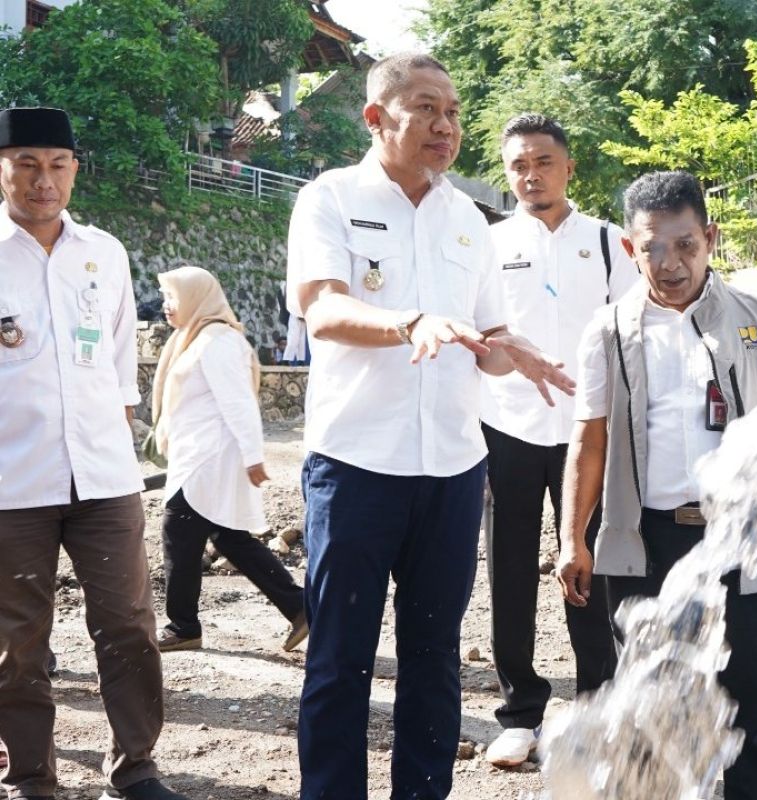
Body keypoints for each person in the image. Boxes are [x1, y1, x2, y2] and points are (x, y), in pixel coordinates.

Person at [286, 53, 575, 800]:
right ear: (377, 117)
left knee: (434, 659)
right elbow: (322, 310)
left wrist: (516, 353)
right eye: (426, 109)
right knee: (340, 659)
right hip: (355, 464)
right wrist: (406, 320)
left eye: (451, 110)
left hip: (451, 468)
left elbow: (488, 341)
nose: (445, 125)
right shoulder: (331, 199)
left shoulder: (468, 221)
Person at [554, 171, 757, 800]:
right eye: (653, 248)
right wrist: (572, 539)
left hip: (745, 539)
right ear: (631, 250)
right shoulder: (607, 332)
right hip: (647, 542)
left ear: (710, 238)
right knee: (647, 703)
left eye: (685, 244)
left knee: (754, 703)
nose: (670, 263)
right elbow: (591, 439)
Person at [0, 107, 190, 800]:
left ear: (75, 169)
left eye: (56, 164)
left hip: (104, 479)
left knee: (131, 626)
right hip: (10, 485)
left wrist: (127, 439)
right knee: (18, 643)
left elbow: (117, 365)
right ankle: (30, 777)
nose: (42, 180)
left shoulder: (101, 252)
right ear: (2, 169)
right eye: (26, 163)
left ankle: (135, 765)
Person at [479, 112, 640, 767]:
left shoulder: (607, 242)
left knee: (591, 571)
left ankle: (597, 707)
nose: (530, 175)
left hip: (589, 433)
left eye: (543, 162)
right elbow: (477, 332)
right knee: (509, 572)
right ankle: (519, 712)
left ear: (568, 166)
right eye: (518, 165)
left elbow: (634, 332)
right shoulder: (486, 244)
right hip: (507, 426)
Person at [150, 266, 308, 654]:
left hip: (209, 460)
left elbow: (239, 403)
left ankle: (183, 626)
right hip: (199, 455)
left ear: (195, 299)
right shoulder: (195, 338)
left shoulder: (217, 341)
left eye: (173, 297)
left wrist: (254, 458)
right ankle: (301, 606)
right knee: (230, 538)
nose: (166, 306)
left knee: (179, 533)